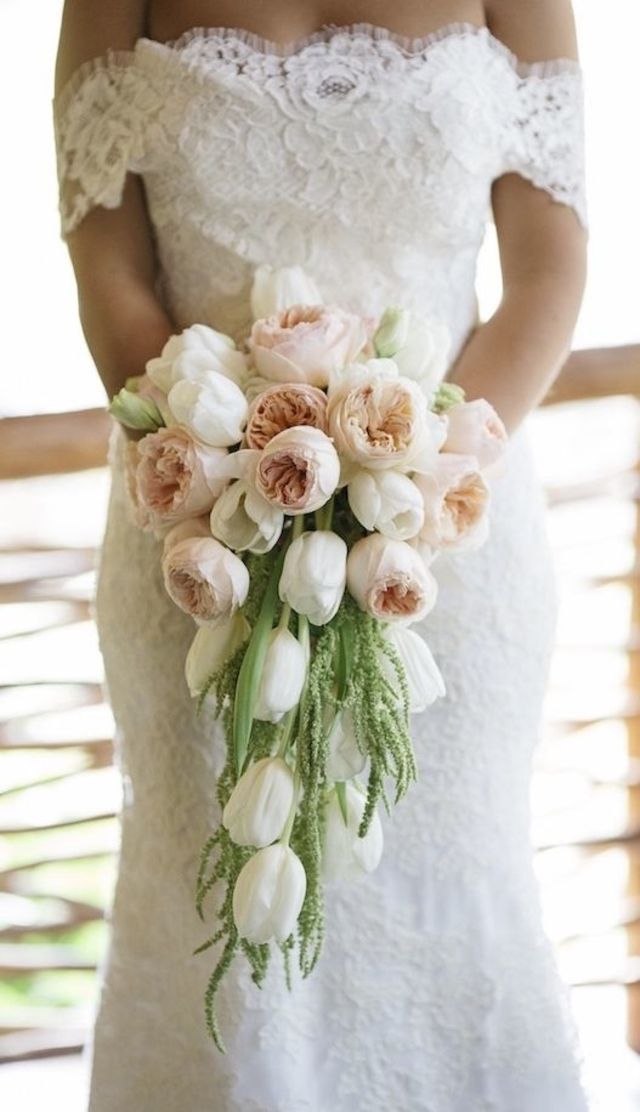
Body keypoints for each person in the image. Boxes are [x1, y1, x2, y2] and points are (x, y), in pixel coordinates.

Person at [53, 2, 590, 1110]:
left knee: (448, 892)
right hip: (195, 538)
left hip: (448, 541)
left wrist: (405, 480)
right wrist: (221, 465)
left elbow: (549, 271)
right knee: (210, 902)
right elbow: (107, 266)